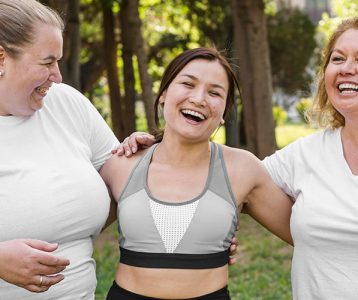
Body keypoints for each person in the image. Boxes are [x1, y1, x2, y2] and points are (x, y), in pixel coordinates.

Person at [100, 47, 293, 300]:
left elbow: (308, 234)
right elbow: (71, 234)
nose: (199, 99)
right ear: (163, 95)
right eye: (188, 84)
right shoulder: (122, 164)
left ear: (224, 112)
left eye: (214, 92)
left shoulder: (243, 169)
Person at [0, 0, 120, 298]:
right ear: (1, 59)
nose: (58, 75)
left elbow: (126, 180)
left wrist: (206, 228)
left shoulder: (66, 103)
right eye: (47, 62)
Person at [263, 17, 358, 299]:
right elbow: (235, 181)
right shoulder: (303, 155)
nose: (347, 69)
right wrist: (157, 145)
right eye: (338, 58)